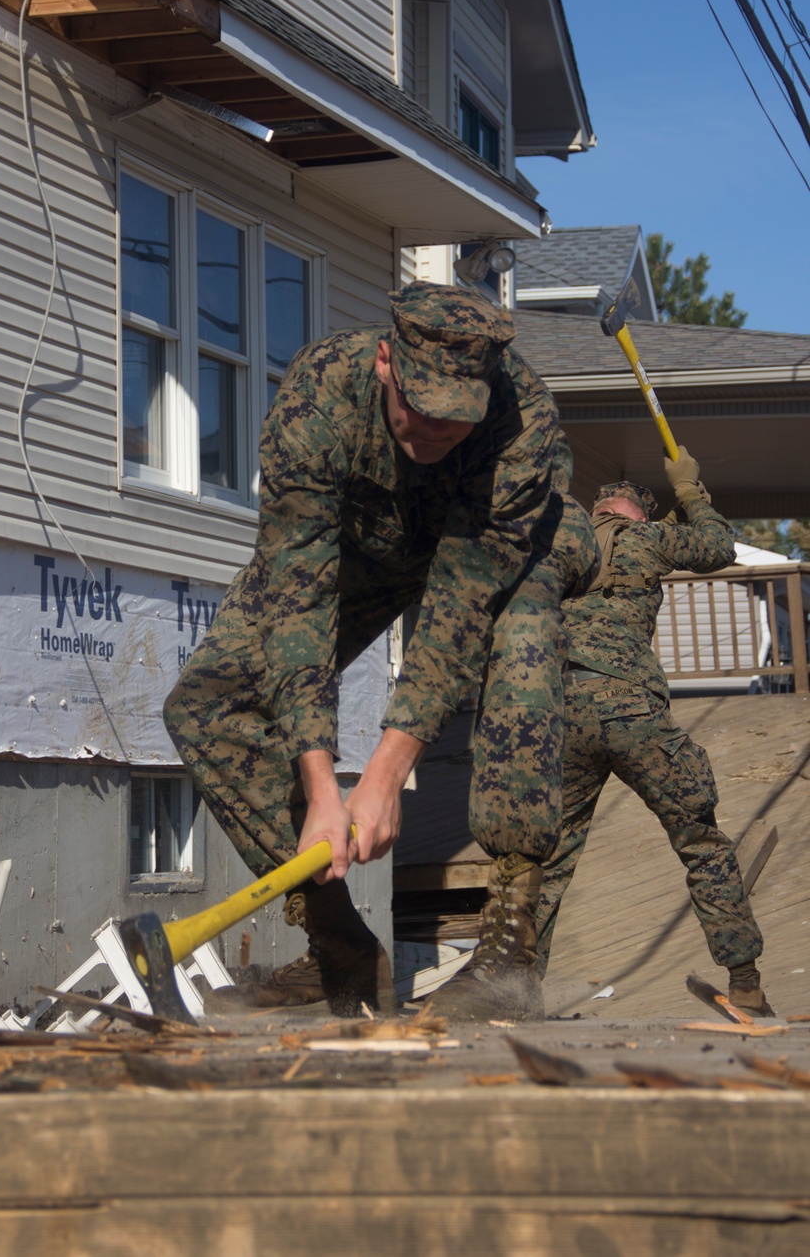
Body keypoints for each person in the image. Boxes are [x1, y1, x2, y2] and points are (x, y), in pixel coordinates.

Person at [164, 280, 597, 1020]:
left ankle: (510, 955)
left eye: (455, 424)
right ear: (387, 361)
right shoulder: (319, 395)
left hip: (512, 546)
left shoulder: (523, 422)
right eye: (418, 413)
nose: (431, 436)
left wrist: (388, 774)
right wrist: (324, 788)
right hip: (372, 542)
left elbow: (461, 602)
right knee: (208, 701)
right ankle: (340, 950)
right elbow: (296, 592)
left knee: (522, 634)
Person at [535, 451, 774, 1016]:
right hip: (633, 711)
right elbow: (717, 548)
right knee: (701, 843)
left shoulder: (564, 545)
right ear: (639, 516)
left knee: (548, 860)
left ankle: (515, 986)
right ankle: (746, 985)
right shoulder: (646, 540)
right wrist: (691, 492)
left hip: (562, 712)